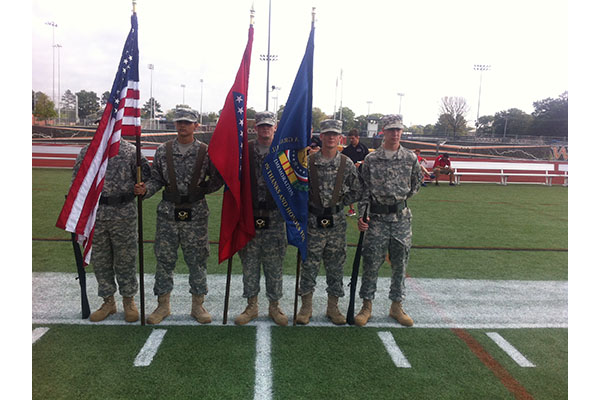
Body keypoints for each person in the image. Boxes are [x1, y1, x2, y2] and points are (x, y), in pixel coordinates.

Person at [134, 107, 224, 324]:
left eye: (187, 122)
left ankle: (198, 305)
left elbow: (218, 178)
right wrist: (146, 190)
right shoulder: (163, 151)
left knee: (197, 260)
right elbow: (156, 179)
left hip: (196, 214)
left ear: (196, 125)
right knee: (164, 259)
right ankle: (163, 305)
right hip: (168, 214)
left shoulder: (205, 151)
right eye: (179, 122)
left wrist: (201, 191)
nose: (182, 125)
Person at [355, 114, 422, 327]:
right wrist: (362, 214)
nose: (395, 134)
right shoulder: (372, 160)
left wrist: (398, 201)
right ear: (383, 131)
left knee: (400, 263)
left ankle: (396, 306)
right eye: (391, 130)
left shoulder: (410, 158)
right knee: (371, 262)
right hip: (376, 219)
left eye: (398, 130)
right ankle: (367, 306)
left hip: (401, 219)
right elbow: (363, 189)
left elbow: (416, 184)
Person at [73, 138, 150, 323]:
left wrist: (143, 189)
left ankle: (128, 300)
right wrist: (75, 215)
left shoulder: (131, 151)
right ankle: (108, 301)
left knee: (125, 259)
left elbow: (148, 177)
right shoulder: (87, 152)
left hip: (124, 213)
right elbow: (77, 182)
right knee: (100, 260)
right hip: (96, 214)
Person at [296, 119, 361, 325]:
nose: (331, 137)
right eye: (327, 134)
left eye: (335, 134)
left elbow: (357, 190)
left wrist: (340, 202)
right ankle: (306, 307)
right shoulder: (307, 161)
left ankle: (333, 307)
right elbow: (297, 190)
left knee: (336, 265)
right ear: (321, 136)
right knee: (309, 264)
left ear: (340, 137)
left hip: (336, 223)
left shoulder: (346, 163)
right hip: (313, 221)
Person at [234, 111, 288, 326]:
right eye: (261, 126)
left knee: (275, 264)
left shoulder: (284, 151)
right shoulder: (244, 150)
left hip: (275, 216)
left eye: (269, 126)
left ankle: (274, 306)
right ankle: (252, 306)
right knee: (250, 262)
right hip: (250, 215)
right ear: (255, 128)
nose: (265, 129)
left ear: (275, 128)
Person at [341, 128, 370, 215]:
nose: (351, 140)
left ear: (358, 137)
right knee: (350, 190)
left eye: (353, 138)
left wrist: (360, 162)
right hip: (351, 174)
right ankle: (352, 210)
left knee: (364, 192)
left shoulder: (363, 148)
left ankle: (365, 211)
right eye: (350, 138)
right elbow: (342, 157)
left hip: (362, 173)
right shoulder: (348, 149)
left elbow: (368, 159)